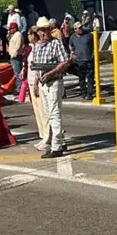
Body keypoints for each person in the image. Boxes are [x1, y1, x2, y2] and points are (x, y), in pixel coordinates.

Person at [31, 17, 70, 159]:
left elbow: (65, 62)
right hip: (43, 84)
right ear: (38, 32)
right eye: (42, 30)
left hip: (53, 82)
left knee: (54, 114)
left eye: (47, 29)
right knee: (49, 114)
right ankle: (60, 140)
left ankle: (57, 146)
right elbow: (36, 68)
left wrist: (50, 73)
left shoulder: (55, 43)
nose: (44, 33)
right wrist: (36, 83)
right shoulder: (37, 47)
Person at [22, 27, 49, 150]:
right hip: (30, 81)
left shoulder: (39, 47)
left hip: (38, 82)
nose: (28, 36)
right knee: (37, 111)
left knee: (43, 111)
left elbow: (39, 67)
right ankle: (42, 135)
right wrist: (24, 70)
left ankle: (47, 136)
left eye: (30, 34)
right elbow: (26, 63)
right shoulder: (29, 48)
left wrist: (37, 83)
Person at [69, 21, 95, 100]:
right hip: (79, 60)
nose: (80, 29)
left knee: (90, 77)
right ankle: (83, 93)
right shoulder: (73, 37)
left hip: (89, 58)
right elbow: (70, 45)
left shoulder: (89, 35)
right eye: (78, 28)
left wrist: (93, 52)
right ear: (75, 29)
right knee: (81, 78)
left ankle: (90, 93)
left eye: (81, 27)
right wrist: (72, 53)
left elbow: (95, 43)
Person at [7, 22, 24, 95]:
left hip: (16, 56)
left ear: (14, 28)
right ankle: (18, 87)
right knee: (16, 72)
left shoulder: (18, 35)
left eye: (11, 29)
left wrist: (14, 54)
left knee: (18, 73)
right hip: (14, 56)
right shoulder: (14, 35)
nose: (10, 30)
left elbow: (18, 45)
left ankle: (19, 88)